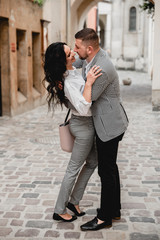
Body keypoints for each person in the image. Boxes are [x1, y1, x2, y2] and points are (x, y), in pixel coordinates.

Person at [72, 28, 129, 231]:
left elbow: (87, 98)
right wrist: (67, 55)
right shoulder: (92, 56)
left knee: (106, 171)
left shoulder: (102, 67)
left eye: (77, 47)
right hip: (110, 120)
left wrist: (81, 84)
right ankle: (114, 210)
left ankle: (105, 217)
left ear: (89, 48)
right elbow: (76, 62)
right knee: (110, 168)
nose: (75, 50)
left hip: (109, 125)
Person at [43, 42, 102, 222]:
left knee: (92, 162)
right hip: (83, 125)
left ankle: (73, 202)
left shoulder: (71, 71)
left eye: (72, 50)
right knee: (73, 169)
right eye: (69, 54)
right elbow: (84, 108)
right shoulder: (67, 82)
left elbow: (82, 59)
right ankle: (59, 209)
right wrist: (90, 83)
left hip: (85, 124)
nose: (74, 55)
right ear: (63, 62)